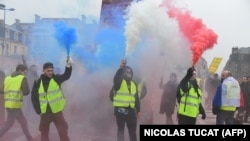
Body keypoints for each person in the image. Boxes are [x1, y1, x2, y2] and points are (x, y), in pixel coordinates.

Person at [31, 58, 72, 141]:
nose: (50, 72)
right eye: (48, 71)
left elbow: (66, 75)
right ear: (43, 71)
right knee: (44, 133)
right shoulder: (38, 82)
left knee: (63, 132)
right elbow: (34, 98)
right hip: (45, 113)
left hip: (57, 112)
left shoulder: (56, 79)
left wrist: (68, 66)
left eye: (51, 70)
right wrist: (39, 111)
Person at [0, 64, 33, 141]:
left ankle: (29, 138)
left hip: (8, 104)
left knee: (23, 122)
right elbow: (26, 92)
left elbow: (1, 90)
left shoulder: (8, 78)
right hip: (15, 105)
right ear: (20, 70)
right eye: (25, 71)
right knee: (8, 125)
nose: (25, 73)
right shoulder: (22, 78)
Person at [110, 59, 140, 141]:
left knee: (133, 131)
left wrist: (138, 110)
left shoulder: (134, 84)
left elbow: (136, 98)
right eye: (126, 72)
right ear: (123, 73)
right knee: (121, 131)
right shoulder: (119, 82)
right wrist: (120, 69)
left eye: (130, 72)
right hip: (120, 111)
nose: (128, 73)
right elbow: (115, 79)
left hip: (131, 112)